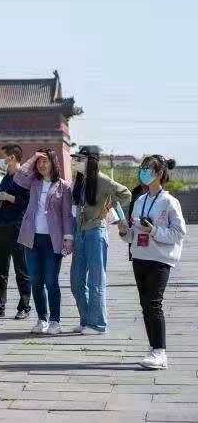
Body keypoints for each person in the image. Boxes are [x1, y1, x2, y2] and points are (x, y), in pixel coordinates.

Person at [120, 155, 186, 370]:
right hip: (140, 257)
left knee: (153, 304)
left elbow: (179, 233)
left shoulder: (169, 202)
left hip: (160, 259)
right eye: (142, 168)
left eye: (148, 168)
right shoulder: (140, 200)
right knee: (145, 306)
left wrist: (154, 230)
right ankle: (154, 349)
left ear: (159, 173)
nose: (143, 172)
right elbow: (132, 234)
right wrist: (124, 231)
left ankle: (160, 352)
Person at [70, 146, 131, 335]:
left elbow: (126, 194)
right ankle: (86, 320)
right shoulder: (79, 180)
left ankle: (98, 324)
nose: (75, 162)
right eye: (75, 159)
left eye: (79, 159)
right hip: (80, 233)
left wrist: (109, 205)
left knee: (96, 281)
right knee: (76, 281)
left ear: (91, 161)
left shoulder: (102, 179)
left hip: (96, 233)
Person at [13, 148, 73, 335]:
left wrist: (68, 238)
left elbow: (67, 215)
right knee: (35, 281)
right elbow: (19, 177)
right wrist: (33, 157)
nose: (41, 164)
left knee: (51, 281)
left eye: (45, 160)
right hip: (31, 238)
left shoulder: (64, 187)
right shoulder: (33, 182)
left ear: (53, 163)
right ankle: (42, 319)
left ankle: (55, 321)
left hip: (52, 240)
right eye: (39, 161)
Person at [0, 144, 32, 320]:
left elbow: (28, 202)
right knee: (0, 271)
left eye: (3, 156)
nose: (1, 160)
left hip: (18, 227)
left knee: (21, 270)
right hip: (2, 227)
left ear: (12, 157)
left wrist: (11, 198)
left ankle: (24, 307)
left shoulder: (25, 177)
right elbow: (0, 205)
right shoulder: (4, 178)